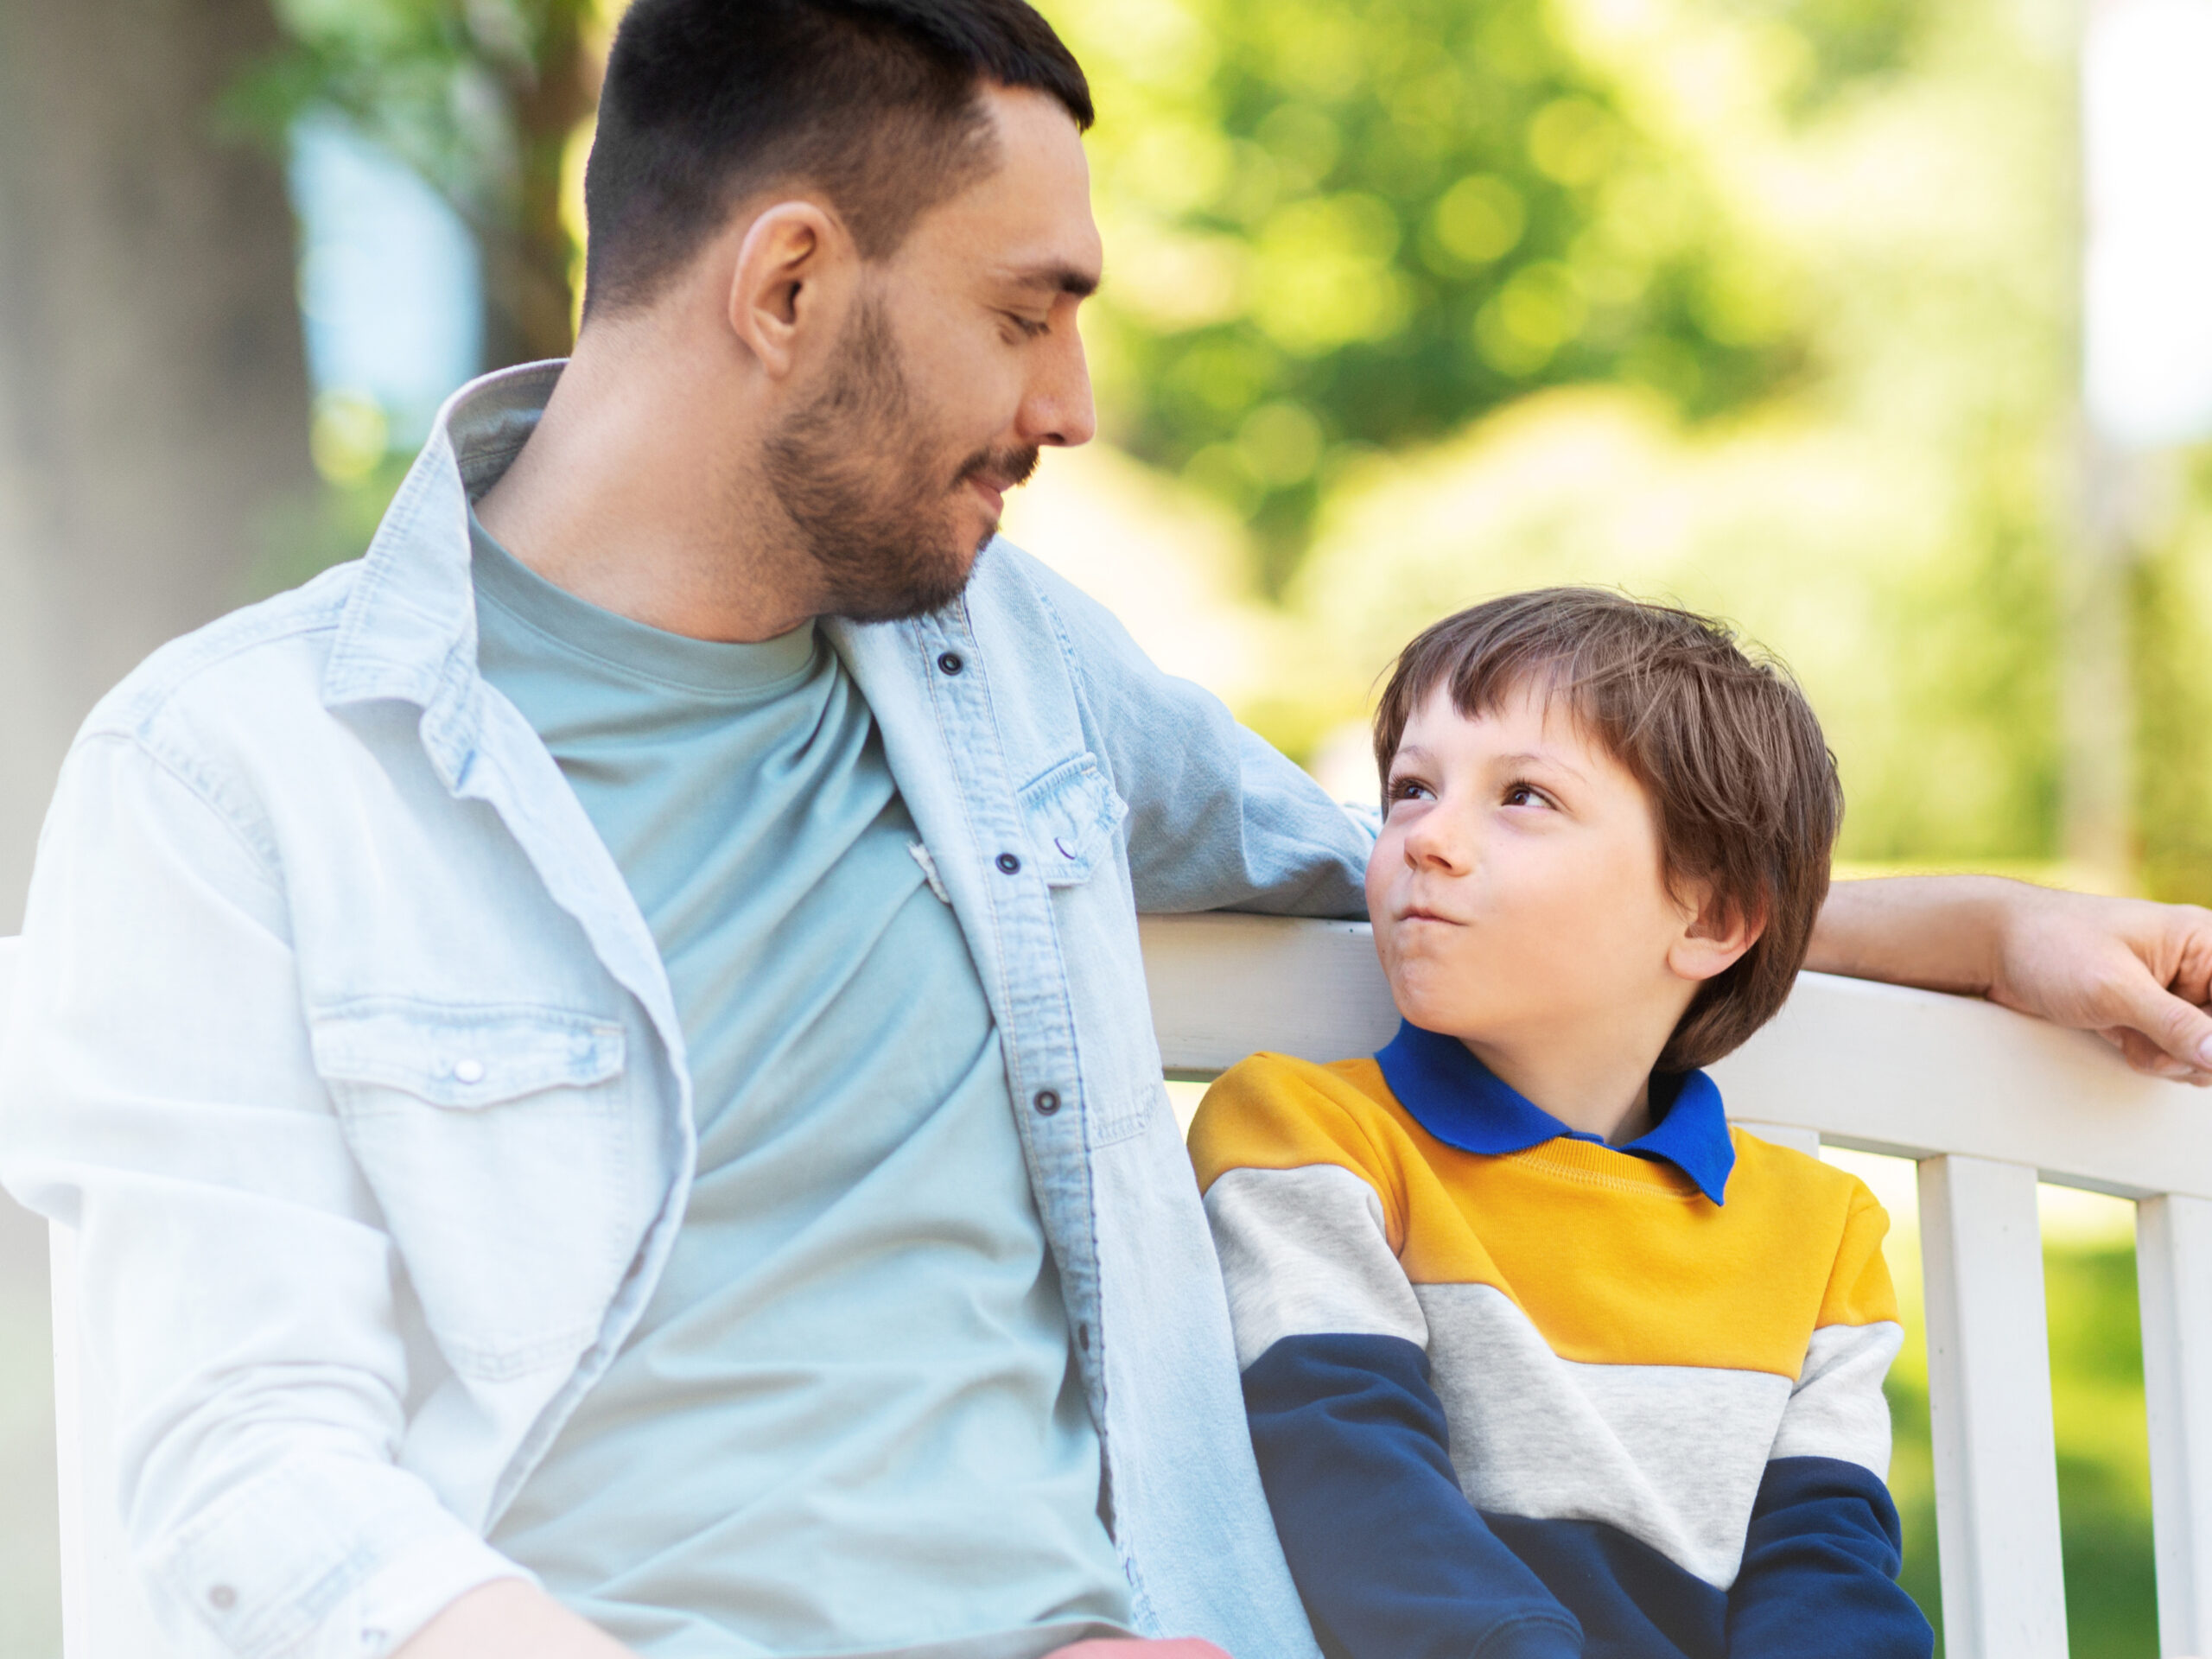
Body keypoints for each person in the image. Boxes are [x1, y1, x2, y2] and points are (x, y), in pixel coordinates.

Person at [2, 2, 2210, 1656]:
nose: (1062, 407)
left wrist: (1977, 925)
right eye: (1020, 313)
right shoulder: (235, 776)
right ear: (784, 288)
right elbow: (242, 1458)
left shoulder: (1005, 668)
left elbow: (1433, 880)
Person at [1190, 591, 1931, 1659]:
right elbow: (1343, 1466)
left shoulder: (1822, 1235)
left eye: (1523, 796)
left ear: (1712, 916)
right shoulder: (1304, 1133)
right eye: (1409, 788)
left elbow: (1822, 1565)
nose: (1425, 838)